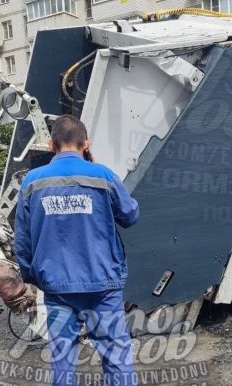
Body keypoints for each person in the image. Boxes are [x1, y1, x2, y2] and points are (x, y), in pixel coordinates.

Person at [14, 114, 139, 386]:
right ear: (86, 143)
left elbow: (22, 240)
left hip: (57, 286)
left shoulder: (32, 182)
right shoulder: (103, 175)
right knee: (116, 356)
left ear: (51, 145)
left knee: (62, 360)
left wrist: (33, 276)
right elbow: (129, 216)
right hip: (103, 283)